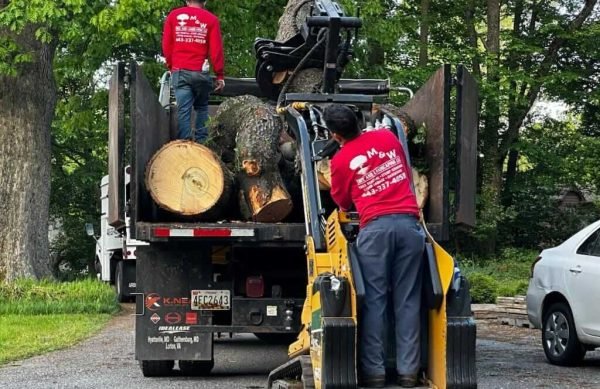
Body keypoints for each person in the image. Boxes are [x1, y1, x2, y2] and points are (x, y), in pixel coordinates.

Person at [325, 104, 425, 388]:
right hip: (409, 226)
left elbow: (342, 202)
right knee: (407, 301)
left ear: (334, 135)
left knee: (375, 302)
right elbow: (405, 172)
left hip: (375, 230)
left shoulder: (341, 160)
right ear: (358, 121)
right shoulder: (388, 138)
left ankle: (375, 373)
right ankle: (408, 372)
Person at [162, 0, 225, 143]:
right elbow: (216, 51)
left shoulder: (173, 16)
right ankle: (202, 144)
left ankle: (185, 144)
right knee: (202, 108)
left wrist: (171, 66)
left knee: (183, 110)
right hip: (200, 73)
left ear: (187, 0)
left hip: (180, 71)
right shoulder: (211, 19)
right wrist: (220, 75)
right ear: (205, 1)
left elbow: (166, 46)